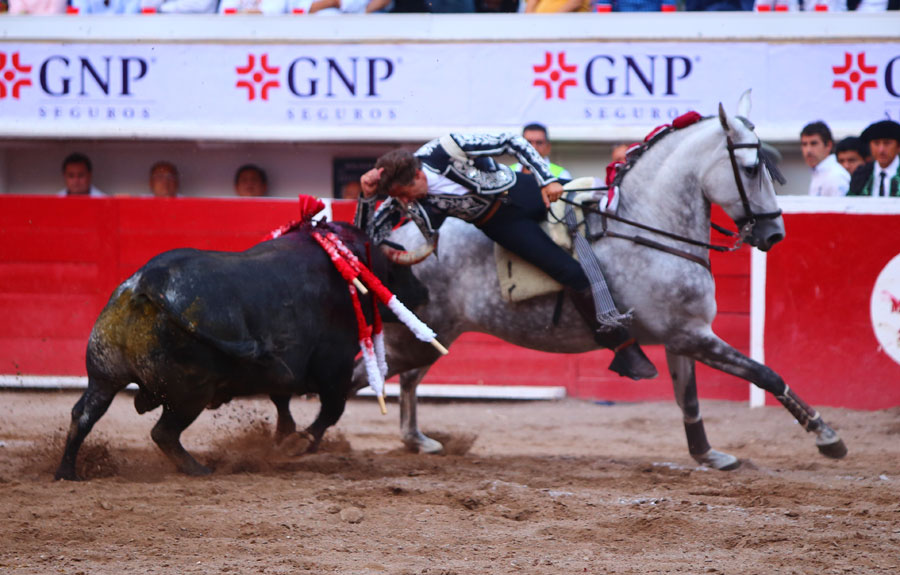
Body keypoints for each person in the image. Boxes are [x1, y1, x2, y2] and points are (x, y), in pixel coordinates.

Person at [355, 133, 657, 381]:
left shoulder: (446, 148)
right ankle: (623, 346)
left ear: (418, 174)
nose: (405, 202)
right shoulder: (404, 195)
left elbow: (514, 143)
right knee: (572, 274)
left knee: (609, 210)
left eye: (407, 192)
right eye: (399, 197)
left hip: (527, 191)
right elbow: (364, 235)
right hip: (502, 224)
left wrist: (545, 179)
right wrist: (368, 196)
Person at [849, 120, 900, 197]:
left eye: (887, 143)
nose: (881, 150)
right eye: (876, 143)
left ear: (898, 146)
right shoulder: (861, 174)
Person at [800, 121, 849, 197]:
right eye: (804, 144)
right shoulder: (818, 172)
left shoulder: (836, 176)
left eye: (813, 143)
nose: (808, 150)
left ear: (828, 145)